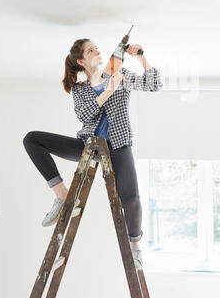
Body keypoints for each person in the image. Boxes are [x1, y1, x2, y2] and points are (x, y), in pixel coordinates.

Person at [23, 38, 163, 269]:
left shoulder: (118, 73)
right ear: (81, 61)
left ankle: (135, 247)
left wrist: (141, 58)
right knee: (32, 139)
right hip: (89, 146)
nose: (97, 51)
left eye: (96, 48)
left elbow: (154, 84)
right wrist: (109, 89)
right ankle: (60, 194)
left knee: (131, 198)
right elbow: (85, 115)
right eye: (91, 50)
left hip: (118, 145)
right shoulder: (80, 89)